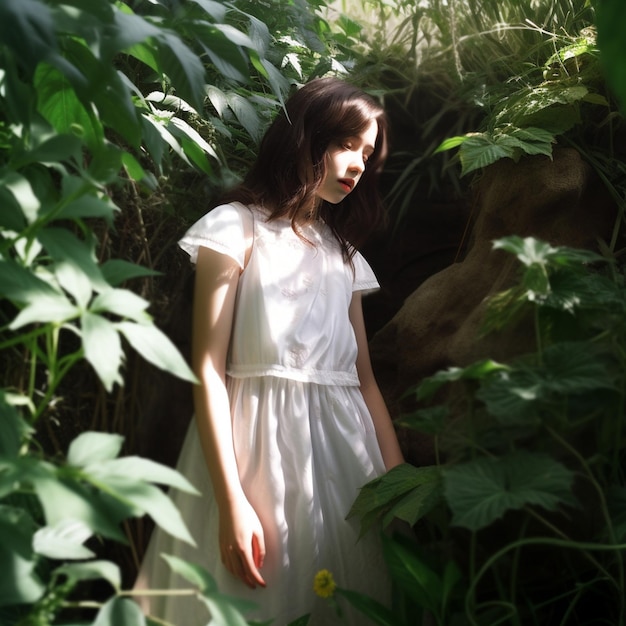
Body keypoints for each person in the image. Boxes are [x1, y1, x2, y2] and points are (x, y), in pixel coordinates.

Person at [134, 76, 404, 625]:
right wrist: (232, 500)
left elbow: (365, 381)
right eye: (347, 145)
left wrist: (398, 477)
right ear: (308, 137)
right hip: (254, 453)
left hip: (349, 459)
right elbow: (208, 371)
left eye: (368, 154)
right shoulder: (235, 231)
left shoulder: (344, 258)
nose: (358, 164)